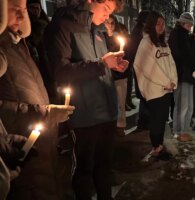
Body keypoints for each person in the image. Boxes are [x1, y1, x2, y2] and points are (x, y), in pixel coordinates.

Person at [44, 0, 128, 199]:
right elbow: (60, 72)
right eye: (106, 8)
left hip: (106, 112)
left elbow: (97, 67)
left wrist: (111, 66)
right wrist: (101, 64)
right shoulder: (63, 26)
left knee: (105, 168)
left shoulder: (97, 30)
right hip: (83, 116)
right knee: (83, 174)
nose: (108, 16)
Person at [0, 0, 75, 199]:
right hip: (18, 153)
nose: (22, 16)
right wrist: (46, 113)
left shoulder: (19, 45)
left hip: (40, 149)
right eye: (15, 9)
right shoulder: (3, 51)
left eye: (24, 10)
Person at [134, 11, 177, 159]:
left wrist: (173, 81)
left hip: (167, 88)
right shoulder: (146, 43)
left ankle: (159, 145)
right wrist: (166, 81)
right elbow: (146, 67)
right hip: (154, 88)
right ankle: (156, 147)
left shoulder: (163, 43)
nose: (161, 26)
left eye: (163, 23)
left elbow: (171, 63)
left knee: (162, 118)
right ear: (151, 25)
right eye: (158, 23)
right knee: (157, 119)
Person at [168, 12, 195, 142]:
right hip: (181, 74)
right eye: (189, 24)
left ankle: (184, 130)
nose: (190, 27)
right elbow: (177, 55)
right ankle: (178, 131)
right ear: (183, 23)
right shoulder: (177, 34)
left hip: (187, 74)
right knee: (182, 105)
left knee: (188, 105)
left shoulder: (184, 35)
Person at [128, 10, 150, 130]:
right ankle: (143, 122)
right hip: (141, 67)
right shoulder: (139, 33)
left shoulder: (139, 32)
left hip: (141, 67)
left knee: (144, 95)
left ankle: (144, 121)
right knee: (144, 95)